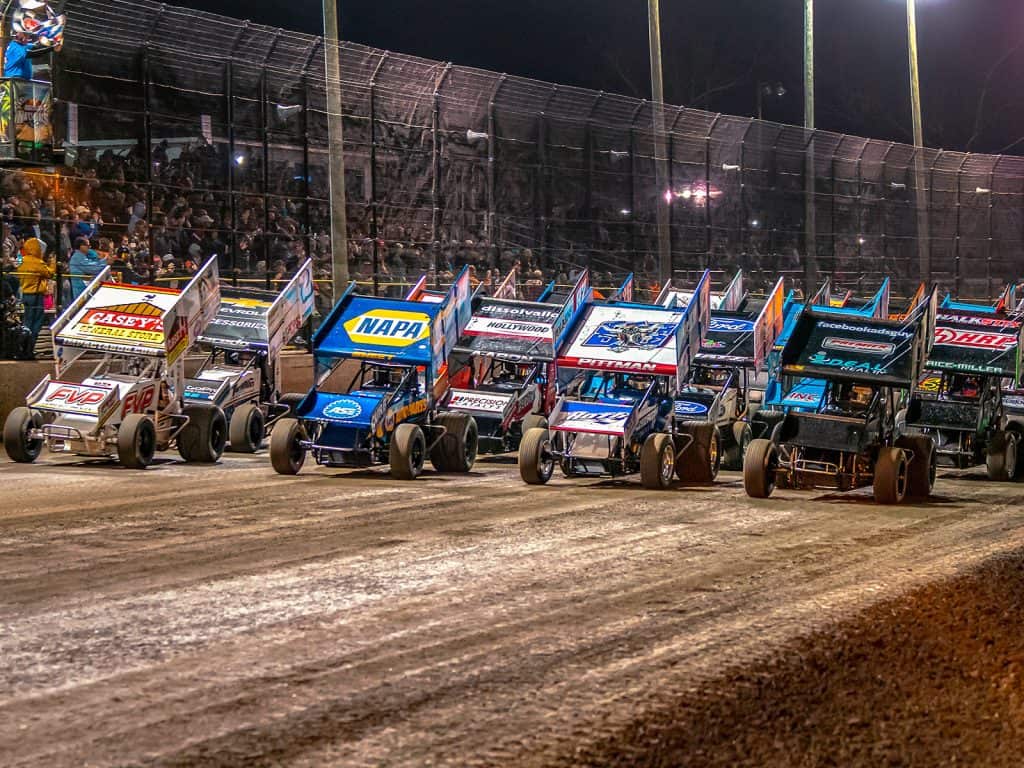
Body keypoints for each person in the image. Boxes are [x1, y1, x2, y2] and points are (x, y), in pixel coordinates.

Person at [15, 237, 53, 357]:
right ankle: (29, 350)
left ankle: (21, 349)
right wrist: (52, 262)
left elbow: (14, 267)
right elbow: (49, 273)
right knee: (35, 324)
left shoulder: (20, 260)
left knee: (25, 323)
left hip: (22, 295)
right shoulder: (38, 262)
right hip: (35, 296)